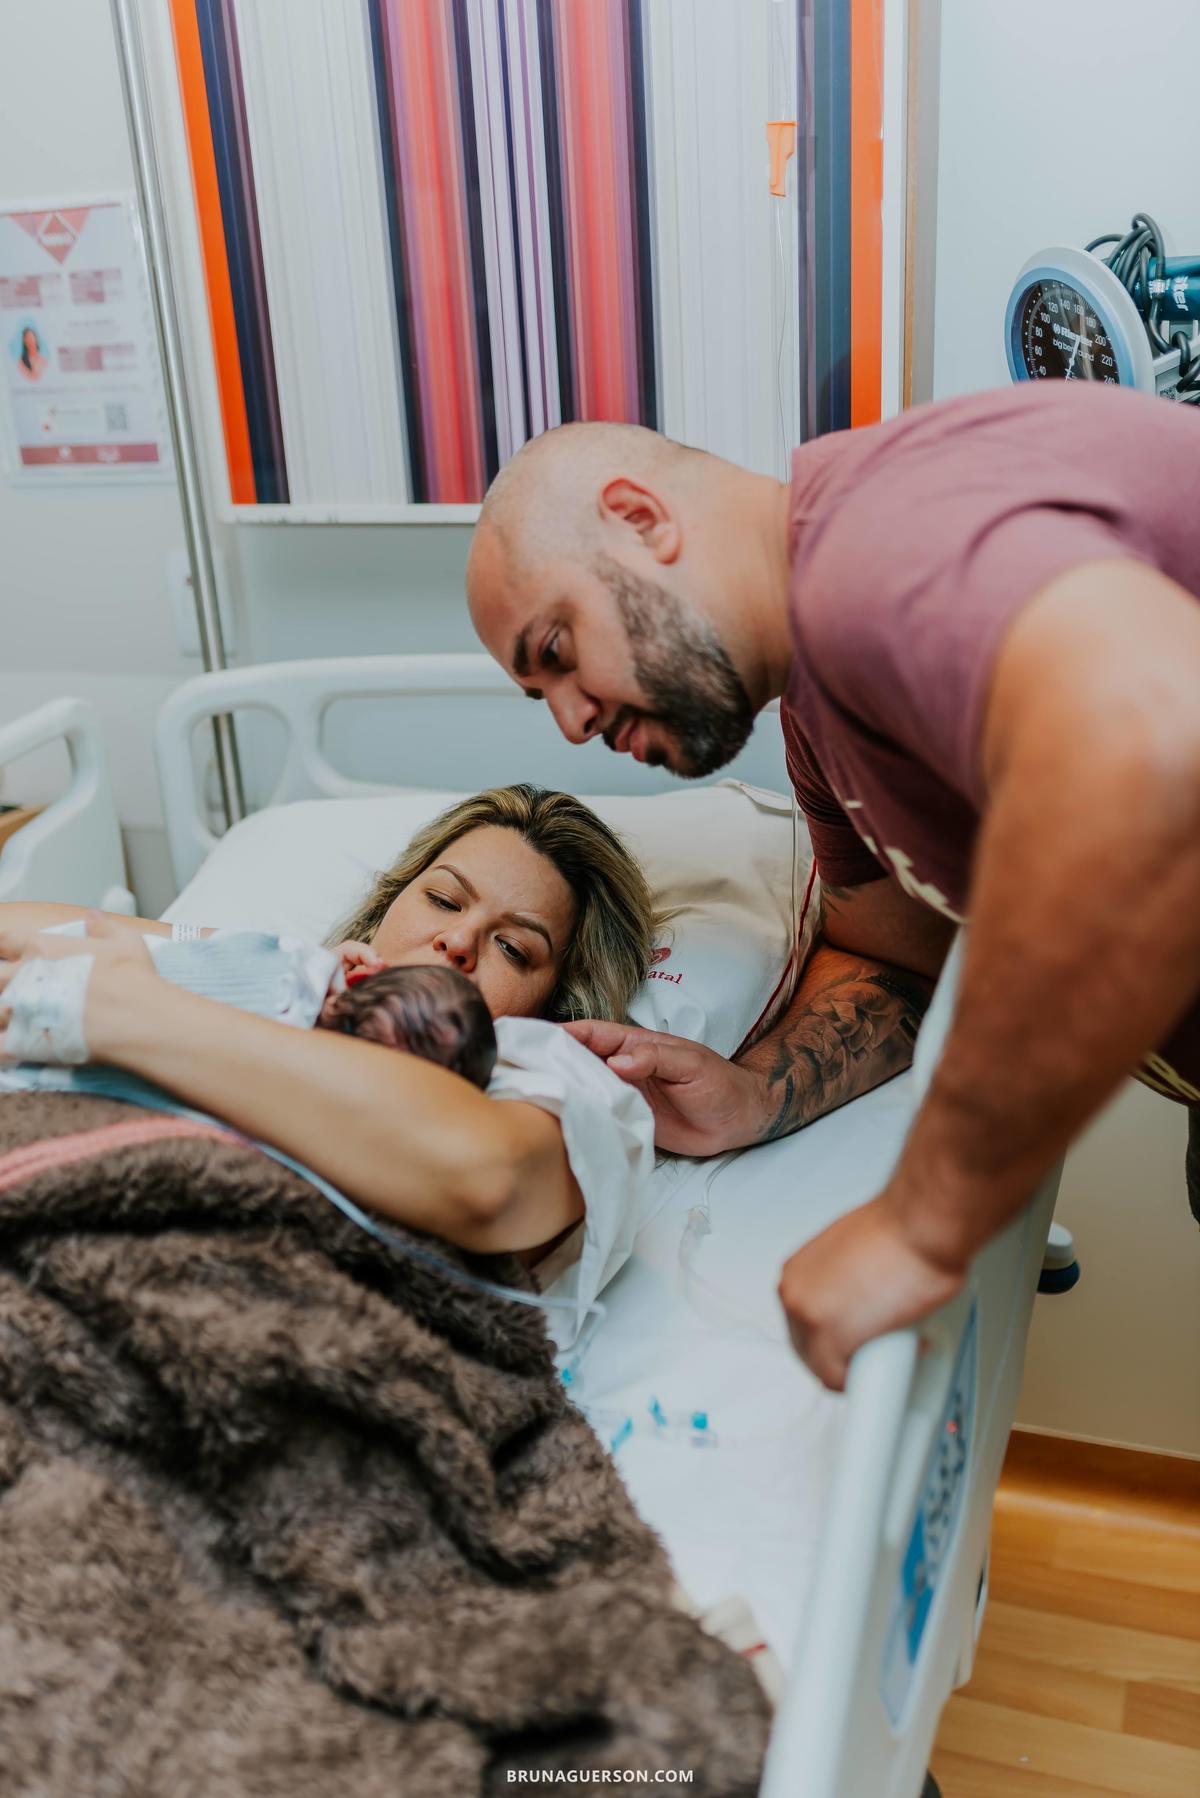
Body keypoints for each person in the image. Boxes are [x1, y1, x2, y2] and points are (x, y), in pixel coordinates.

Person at [464, 382, 1200, 1390]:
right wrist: (753, 1093)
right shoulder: (820, 711)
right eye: (540, 693)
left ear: (639, 521)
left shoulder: (877, 549)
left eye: (557, 651)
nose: (570, 723)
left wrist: (924, 1222)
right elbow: (893, 952)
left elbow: (1153, 753)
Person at [0, 786, 659, 1336]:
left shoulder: (544, 1067)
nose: (458, 939)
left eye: (514, 948)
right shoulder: (291, 971)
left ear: (556, 1001)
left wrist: (131, 1014)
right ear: (389, 904)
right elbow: (32, 933)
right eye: (444, 900)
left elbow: (489, 1181)